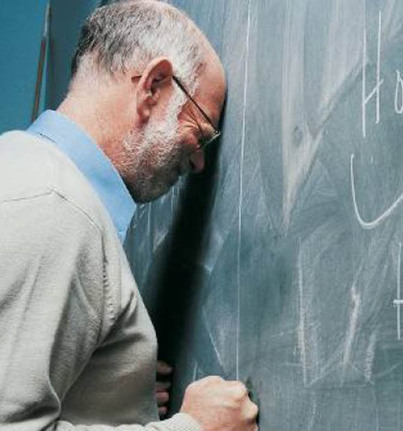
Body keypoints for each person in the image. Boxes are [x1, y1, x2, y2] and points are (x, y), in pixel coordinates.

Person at [0, 1, 258, 430]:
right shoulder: (55, 205)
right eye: (199, 133)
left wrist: (107, 390)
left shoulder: (22, 169)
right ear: (153, 87)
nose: (199, 162)